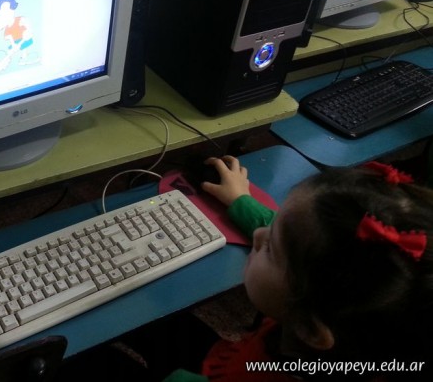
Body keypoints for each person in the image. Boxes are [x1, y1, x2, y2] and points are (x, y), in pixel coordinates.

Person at [55, 156, 433, 381]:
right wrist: (240, 200)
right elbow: (299, 243)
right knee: (159, 321)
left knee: (83, 362)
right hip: (236, 356)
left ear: (310, 328)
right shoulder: (344, 310)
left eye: (271, 248)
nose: (260, 234)